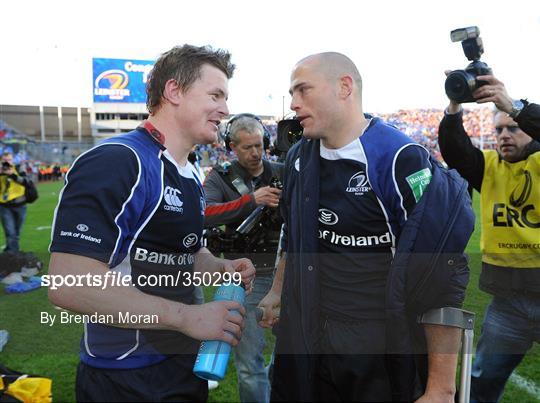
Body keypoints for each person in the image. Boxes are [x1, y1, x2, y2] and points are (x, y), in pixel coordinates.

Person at [259, 52, 474, 402]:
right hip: (306, 337)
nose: (293, 104)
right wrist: (276, 291)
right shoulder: (299, 157)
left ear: (344, 87)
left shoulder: (398, 158)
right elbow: (295, 235)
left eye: (303, 90)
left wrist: (440, 388)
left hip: (377, 347)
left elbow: (443, 276)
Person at [47, 44, 255, 402]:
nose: (225, 109)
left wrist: (220, 268)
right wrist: (187, 317)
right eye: (215, 95)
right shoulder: (119, 161)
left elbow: (184, 253)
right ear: (173, 91)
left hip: (183, 363)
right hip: (125, 375)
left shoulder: (189, 172)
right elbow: (68, 283)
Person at [438, 74, 540, 403]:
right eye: (498, 129)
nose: (504, 136)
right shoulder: (490, 166)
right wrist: (455, 104)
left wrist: (511, 106)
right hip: (507, 303)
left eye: (513, 127)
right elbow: (455, 151)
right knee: (479, 383)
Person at [203, 114, 283, 403]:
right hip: (244, 280)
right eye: (247, 147)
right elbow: (202, 214)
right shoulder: (220, 177)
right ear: (232, 147)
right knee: (249, 364)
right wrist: (251, 200)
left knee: (289, 357)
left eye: (259, 145)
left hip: (284, 273)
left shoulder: (283, 171)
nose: (256, 153)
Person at [0, 152, 30, 252]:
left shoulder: (18, 168)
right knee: (10, 231)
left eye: (9, 160)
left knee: (16, 232)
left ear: (12, 160)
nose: (6, 162)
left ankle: (11, 251)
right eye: (4, 160)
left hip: (20, 204)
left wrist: (12, 175)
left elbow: (26, 182)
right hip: (4, 205)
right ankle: (12, 254)